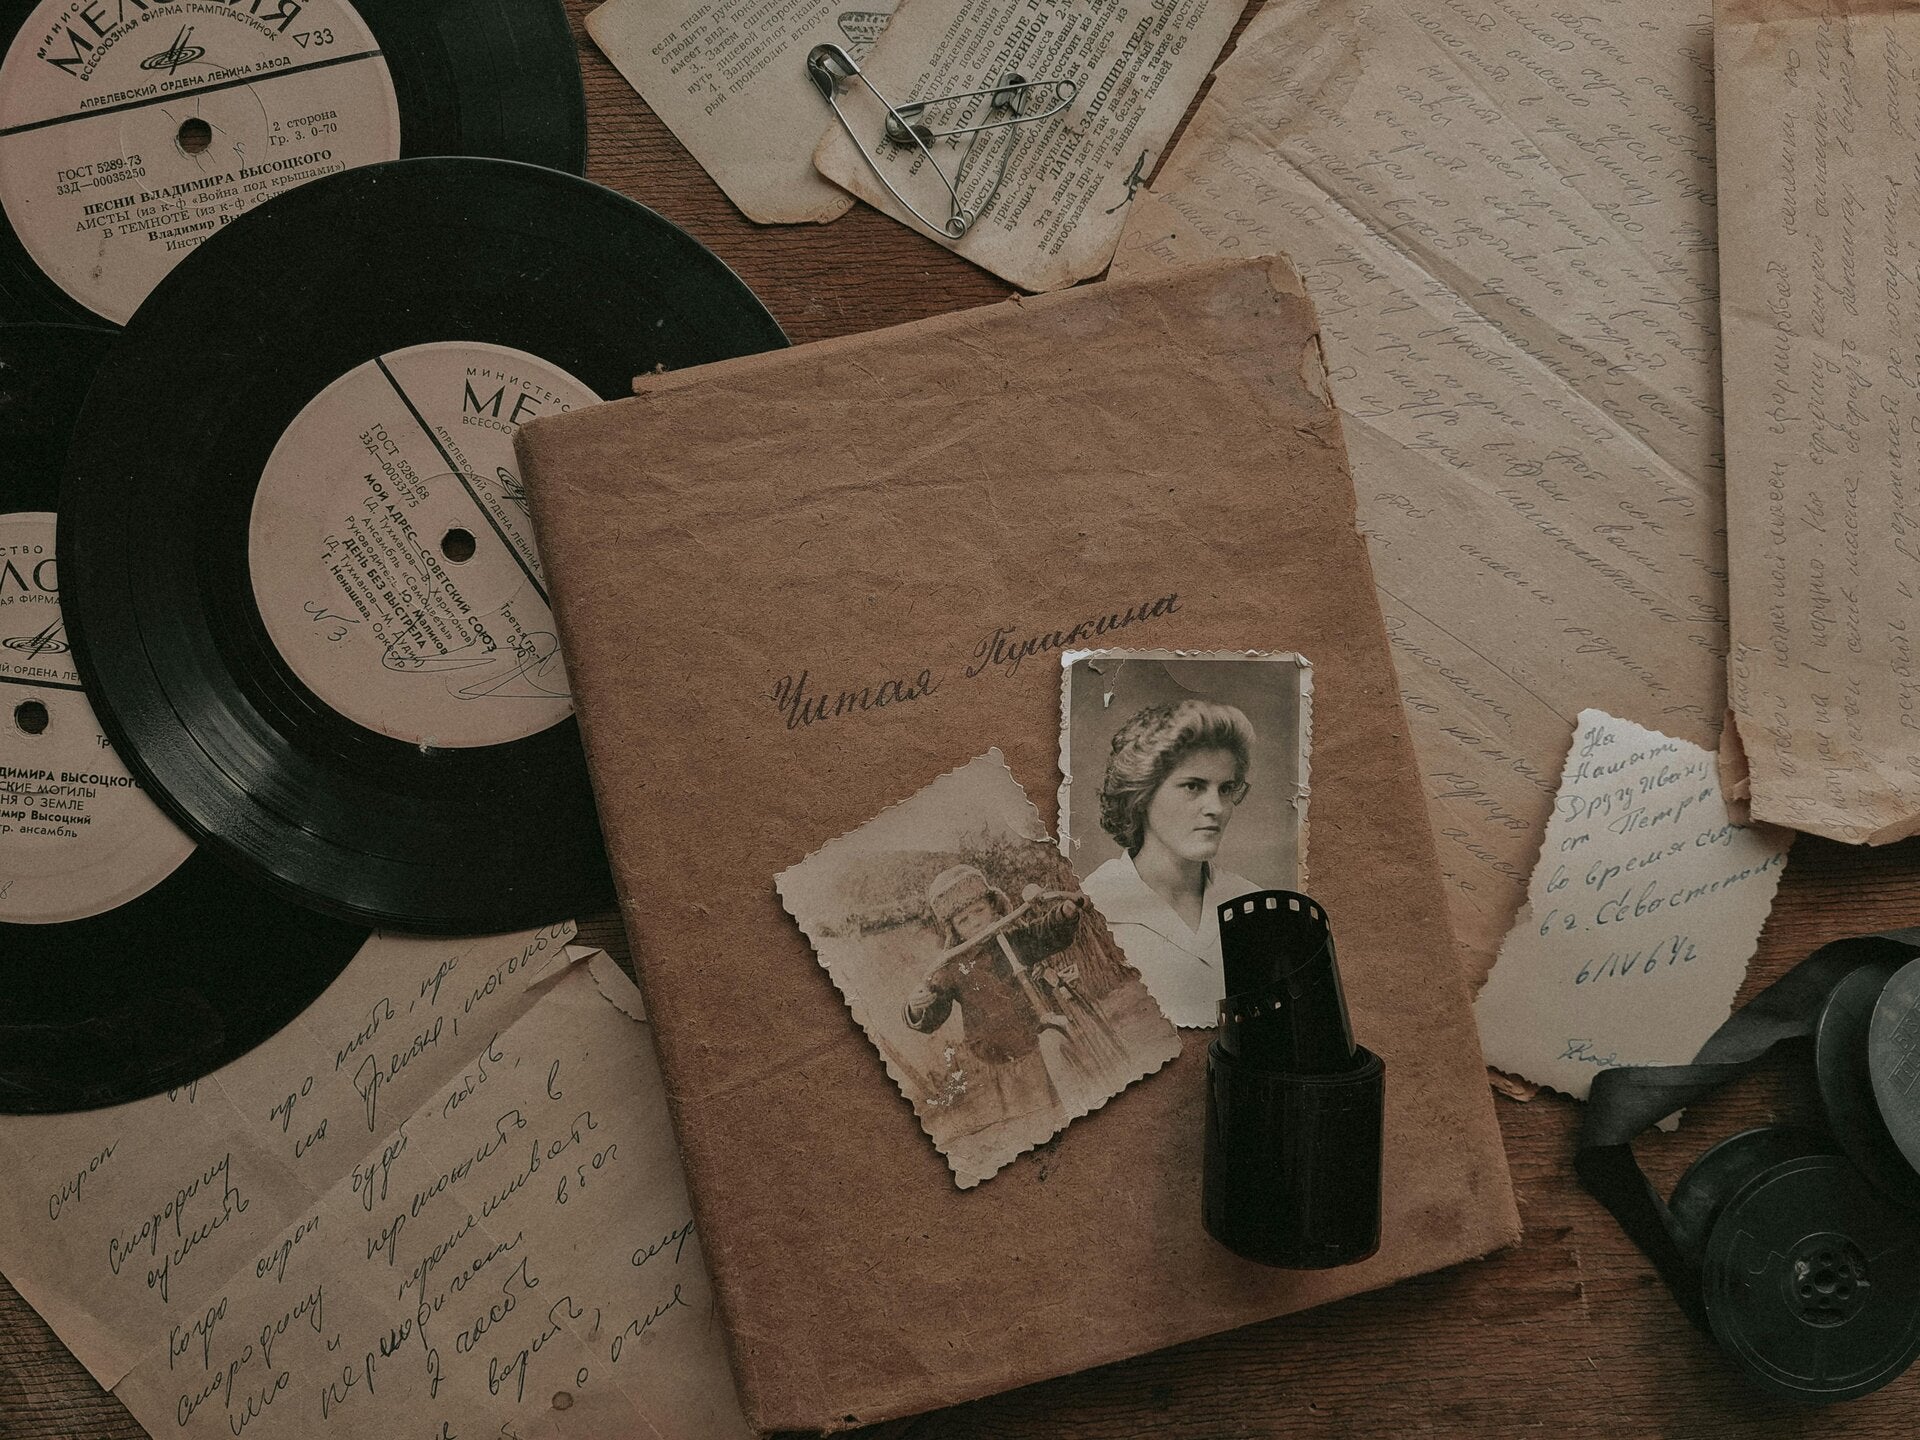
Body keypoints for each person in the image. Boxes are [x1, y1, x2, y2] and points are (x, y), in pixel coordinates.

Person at [1080, 699, 1260, 1027]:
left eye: (1226, 789)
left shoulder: (1252, 905)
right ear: (1142, 794)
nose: (1216, 808)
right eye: (1193, 786)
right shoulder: (1092, 909)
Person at [905, 864, 1085, 1129]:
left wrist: (1064, 914)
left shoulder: (1014, 939)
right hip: (998, 1058)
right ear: (954, 930)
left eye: (979, 911)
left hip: (1039, 1044)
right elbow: (934, 1009)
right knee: (1028, 1121)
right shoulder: (952, 967)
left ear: (993, 906)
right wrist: (916, 1007)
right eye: (963, 920)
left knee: (1068, 1104)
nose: (975, 922)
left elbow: (1044, 934)